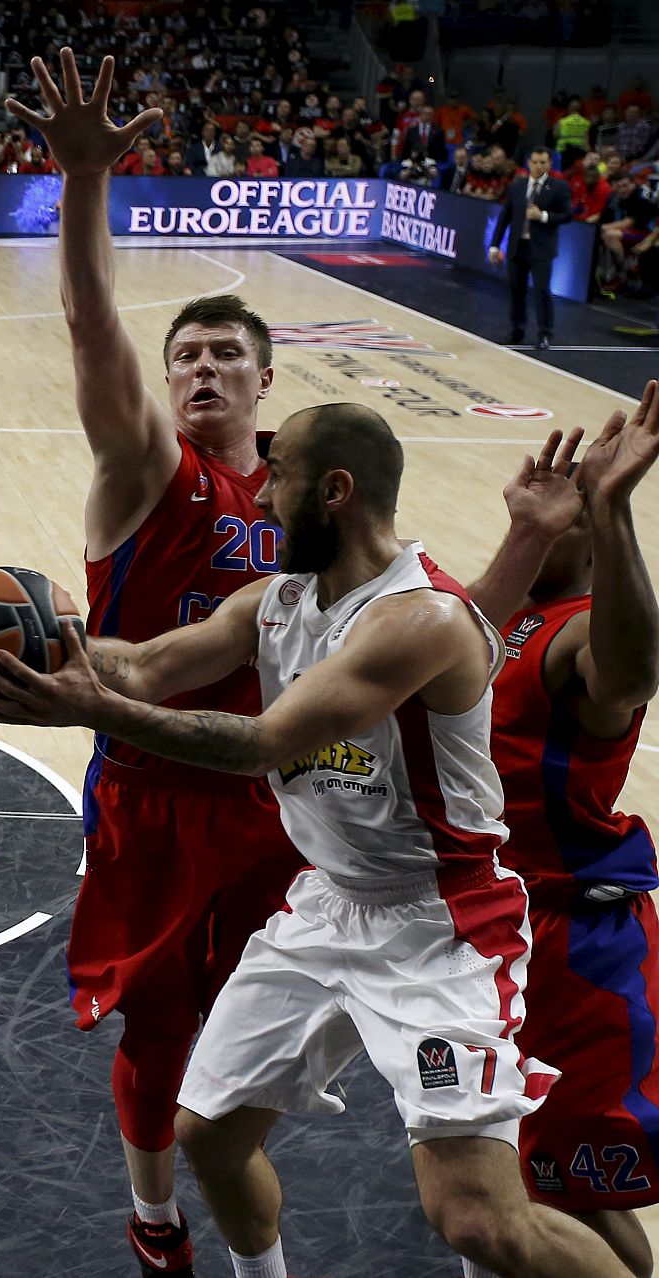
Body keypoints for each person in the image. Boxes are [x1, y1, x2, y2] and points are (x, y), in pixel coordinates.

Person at [0, 401, 633, 1278]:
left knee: (476, 1218)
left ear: (334, 491)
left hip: (439, 924)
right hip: (326, 902)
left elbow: (260, 744)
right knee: (207, 1138)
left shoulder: (422, 618)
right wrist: (57, 651)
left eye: (278, 482)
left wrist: (99, 711)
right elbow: (151, 663)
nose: (262, 500)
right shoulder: (275, 600)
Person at [4, 49, 300, 1278]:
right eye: (188, 354)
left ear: (264, 377)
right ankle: (157, 1215)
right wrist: (84, 184)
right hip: (151, 797)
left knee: (287, 1021)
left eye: (226, 352)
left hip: (281, 784)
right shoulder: (146, 466)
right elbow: (89, 327)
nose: (202, 367)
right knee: (162, 1040)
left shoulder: (304, 486)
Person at [467, 383, 659, 1278]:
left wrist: (615, 509)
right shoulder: (500, 609)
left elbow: (630, 673)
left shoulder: (583, 636)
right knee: (505, 1180)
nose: (545, 508)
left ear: (595, 539)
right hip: (489, 928)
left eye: (567, 507)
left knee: (550, 1193)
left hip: (572, 944)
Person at [490, 147, 573, 349]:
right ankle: (517, 330)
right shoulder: (517, 185)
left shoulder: (559, 187)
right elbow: (505, 216)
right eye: (535, 162)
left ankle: (545, 333)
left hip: (542, 250)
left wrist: (543, 216)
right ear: (529, 163)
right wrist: (494, 244)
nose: (538, 166)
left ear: (550, 164)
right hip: (518, 246)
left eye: (543, 162)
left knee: (542, 291)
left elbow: (567, 215)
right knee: (516, 290)